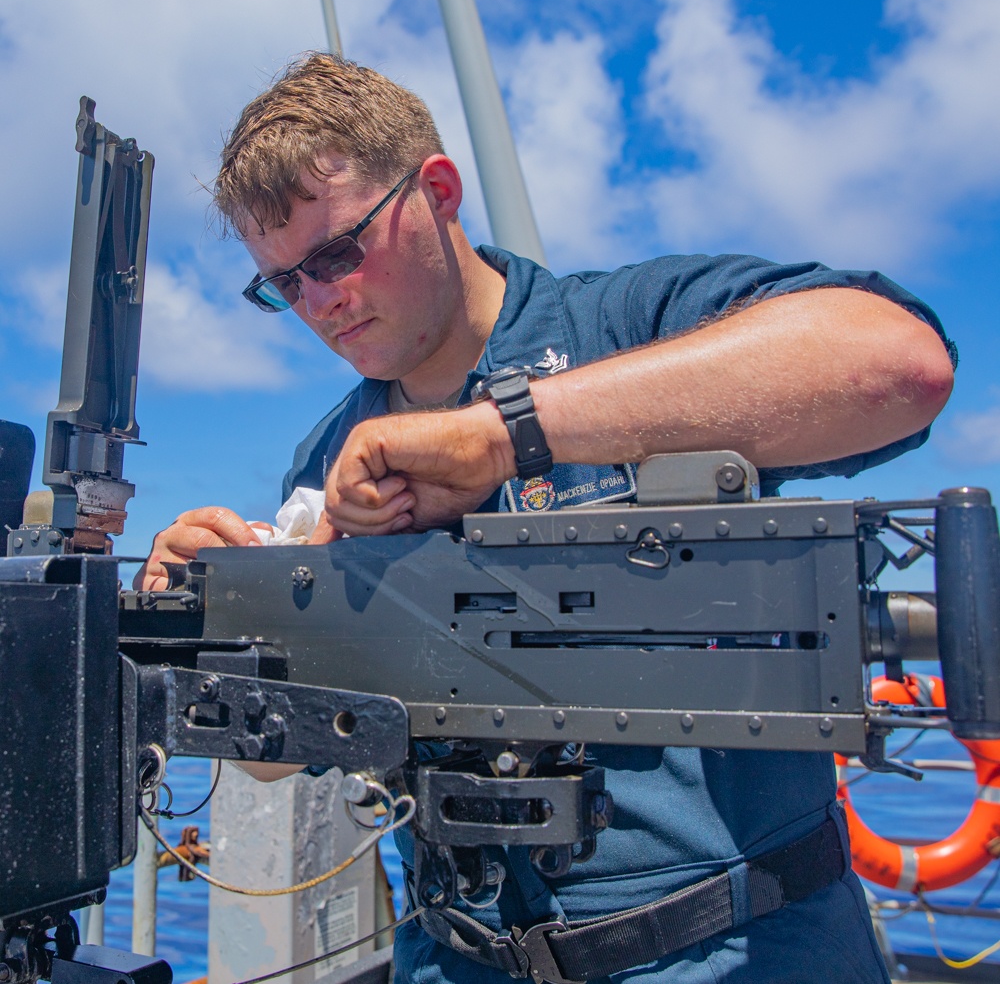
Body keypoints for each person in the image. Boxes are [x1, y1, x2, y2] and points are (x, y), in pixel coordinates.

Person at [137, 54, 956, 983]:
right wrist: (214, 622)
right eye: (284, 283)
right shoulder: (326, 460)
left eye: (335, 253)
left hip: (730, 949)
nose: (320, 301)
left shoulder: (632, 325)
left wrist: (506, 435)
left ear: (437, 192)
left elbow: (898, 364)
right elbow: (277, 769)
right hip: (456, 955)